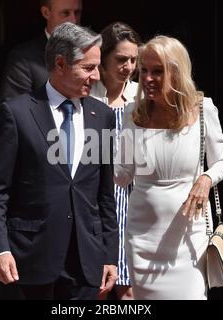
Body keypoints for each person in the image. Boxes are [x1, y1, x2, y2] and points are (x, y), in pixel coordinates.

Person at [0, 22, 118, 300]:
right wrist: (0, 249)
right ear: (59, 64)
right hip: (29, 262)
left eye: (97, 67)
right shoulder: (17, 113)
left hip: (85, 265)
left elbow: (104, 195)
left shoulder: (102, 116)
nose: (96, 76)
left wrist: (109, 255)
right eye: (88, 68)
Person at [114, 35, 223, 299]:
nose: (147, 78)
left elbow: (222, 162)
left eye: (158, 71)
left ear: (176, 73)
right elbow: (121, 176)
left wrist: (205, 179)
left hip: (189, 239)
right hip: (142, 239)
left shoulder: (203, 110)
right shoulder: (134, 114)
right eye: (144, 70)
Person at [90, 22, 141, 300]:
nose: (129, 66)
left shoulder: (140, 97)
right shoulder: (87, 96)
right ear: (103, 57)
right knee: (97, 286)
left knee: (128, 291)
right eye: (121, 59)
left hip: (133, 202)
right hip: (96, 201)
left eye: (134, 60)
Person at [0, 0, 83, 101]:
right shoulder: (24, 59)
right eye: (65, 13)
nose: (73, 20)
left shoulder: (90, 53)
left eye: (77, 13)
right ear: (46, 13)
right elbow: (14, 113)